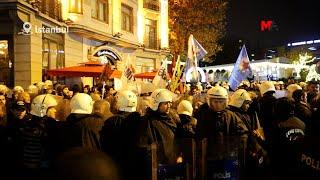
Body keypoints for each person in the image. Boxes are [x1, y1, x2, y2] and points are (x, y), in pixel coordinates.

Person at [136, 89, 177, 179]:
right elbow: (145, 145)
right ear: (156, 104)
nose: (169, 106)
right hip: (157, 167)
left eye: (170, 103)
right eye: (165, 103)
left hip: (172, 163)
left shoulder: (172, 118)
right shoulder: (147, 121)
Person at [100, 90, 140, 180]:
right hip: (136, 168)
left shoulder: (112, 122)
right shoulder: (142, 121)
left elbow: (105, 144)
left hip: (116, 166)